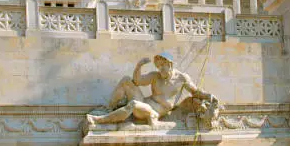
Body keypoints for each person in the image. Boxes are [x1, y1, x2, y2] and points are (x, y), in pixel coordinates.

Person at [87, 52, 217, 126]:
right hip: (145, 102)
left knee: (133, 104)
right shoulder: (155, 76)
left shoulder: (182, 78)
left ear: (170, 65)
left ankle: (100, 120)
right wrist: (138, 66)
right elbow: (137, 81)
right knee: (126, 80)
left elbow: (195, 92)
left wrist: (207, 95)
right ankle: (110, 108)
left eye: (163, 65)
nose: (160, 68)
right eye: (158, 66)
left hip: (154, 111)